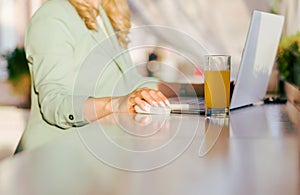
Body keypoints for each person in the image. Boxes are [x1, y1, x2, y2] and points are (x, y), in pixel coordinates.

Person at [16, 0, 171, 151]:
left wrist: (189, 90)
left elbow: (131, 83)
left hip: (96, 155)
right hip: (52, 156)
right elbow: (55, 102)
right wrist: (116, 105)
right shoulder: (53, 15)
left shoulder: (105, 15)